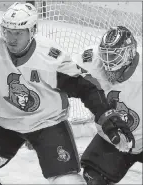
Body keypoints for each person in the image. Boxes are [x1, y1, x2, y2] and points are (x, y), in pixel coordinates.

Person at [0, 3, 129, 184]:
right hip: (1, 120)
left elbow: (87, 86)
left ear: (32, 30)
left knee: (66, 182)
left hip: (46, 123)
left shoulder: (50, 59)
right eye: (7, 31)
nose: (11, 39)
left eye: (18, 32)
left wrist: (106, 114)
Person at [73, 26, 142, 184]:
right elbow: (60, 80)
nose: (108, 64)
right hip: (112, 138)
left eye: (114, 57)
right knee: (94, 179)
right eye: (106, 55)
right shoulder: (91, 61)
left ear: (129, 54)